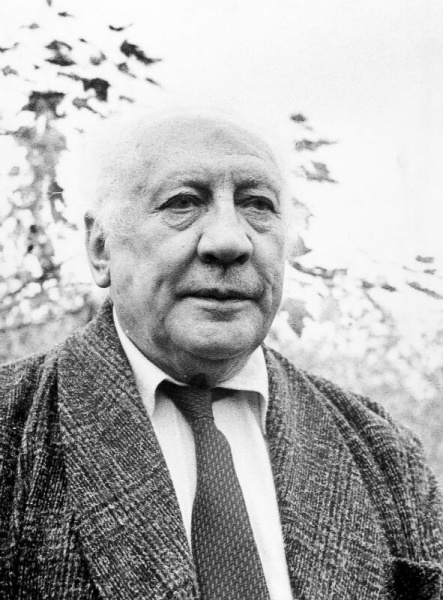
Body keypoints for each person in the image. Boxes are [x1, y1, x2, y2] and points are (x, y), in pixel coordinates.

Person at [1, 109, 442, 600]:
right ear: (101, 247)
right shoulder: (11, 426)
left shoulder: (384, 453)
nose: (229, 241)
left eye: (257, 205)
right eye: (183, 202)